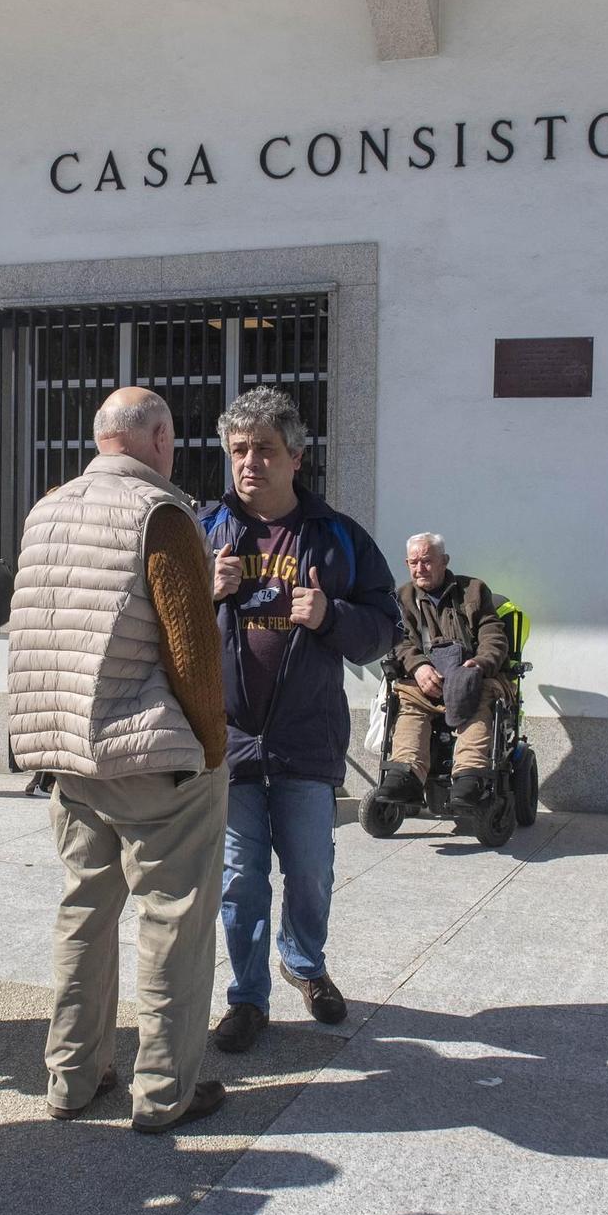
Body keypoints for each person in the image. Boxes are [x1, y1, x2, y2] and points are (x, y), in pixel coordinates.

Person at [7, 386, 230, 1133]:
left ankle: (72, 1075)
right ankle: (164, 1090)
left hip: (68, 750)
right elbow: (192, 647)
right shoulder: (160, 514)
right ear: (159, 438)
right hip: (151, 752)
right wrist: (213, 746)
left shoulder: (45, 510)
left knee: (84, 913)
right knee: (174, 921)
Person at [199, 386, 402, 1053]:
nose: (249, 462)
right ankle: (248, 997)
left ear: (296, 457)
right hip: (229, 741)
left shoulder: (337, 536)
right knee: (240, 878)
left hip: (307, 737)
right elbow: (160, 629)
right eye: (238, 450)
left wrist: (331, 617)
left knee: (310, 867)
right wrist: (208, 593)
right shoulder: (203, 532)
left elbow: (383, 629)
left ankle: (305, 962)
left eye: (263, 449)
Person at [375, 532, 512, 808]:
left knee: (479, 694)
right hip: (426, 682)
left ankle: (468, 777)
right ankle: (406, 775)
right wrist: (418, 667)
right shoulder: (402, 598)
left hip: (470, 678)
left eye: (426, 561)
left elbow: (493, 636)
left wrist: (479, 664)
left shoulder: (473, 591)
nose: (419, 568)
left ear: (444, 561)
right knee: (408, 700)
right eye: (413, 562)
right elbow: (399, 642)